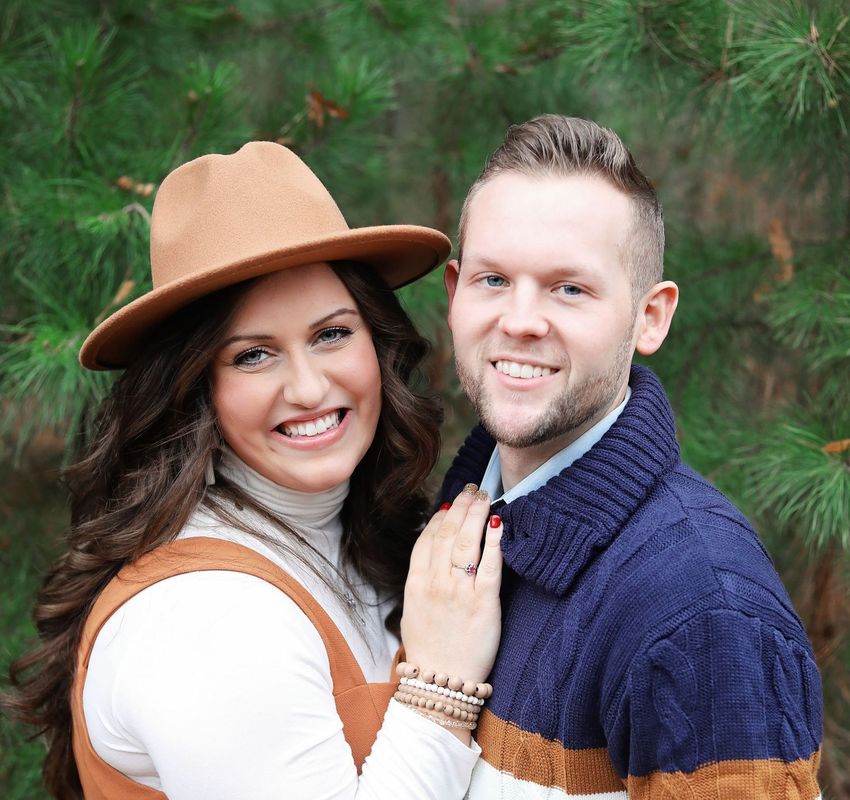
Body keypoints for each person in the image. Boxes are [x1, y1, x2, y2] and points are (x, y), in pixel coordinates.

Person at [6, 141, 504, 799]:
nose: (307, 388)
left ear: (378, 343)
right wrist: (440, 687)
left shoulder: (353, 535)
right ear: (192, 388)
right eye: (252, 356)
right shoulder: (207, 617)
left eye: (331, 334)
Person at [439, 115, 823, 799]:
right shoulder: (453, 537)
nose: (521, 320)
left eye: (570, 288)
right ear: (453, 292)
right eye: (493, 279)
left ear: (651, 317)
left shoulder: (704, 610)